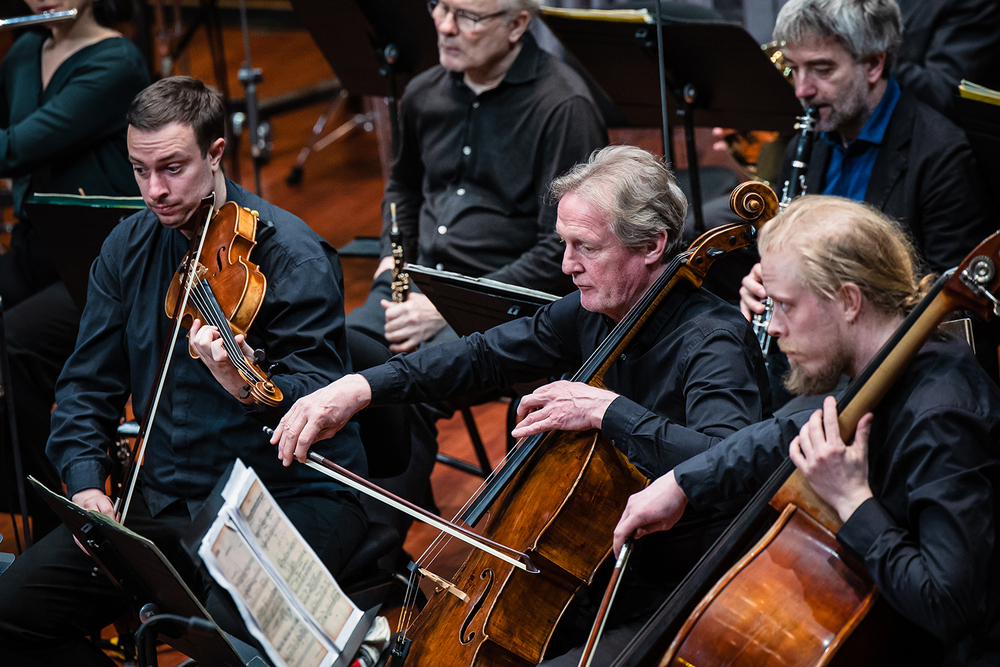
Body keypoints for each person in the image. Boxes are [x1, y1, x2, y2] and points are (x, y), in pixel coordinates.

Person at [274, 145, 771, 666]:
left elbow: (725, 461)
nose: (566, 265)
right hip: (591, 570)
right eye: (563, 243)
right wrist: (358, 389)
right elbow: (482, 356)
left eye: (586, 247)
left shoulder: (713, 341)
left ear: (652, 245)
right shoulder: (593, 313)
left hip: (673, 586)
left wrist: (608, 410)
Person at [0, 77, 368, 666]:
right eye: (140, 170)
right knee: (10, 612)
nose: (155, 191)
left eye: (172, 168)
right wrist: (87, 482)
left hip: (282, 500)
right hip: (166, 504)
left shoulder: (291, 256)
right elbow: (84, 386)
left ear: (216, 153)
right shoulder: (128, 246)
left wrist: (247, 383)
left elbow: (320, 404)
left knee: (221, 642)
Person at [615, 195, 1000, 666]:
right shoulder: (878, 367)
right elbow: (786, 429)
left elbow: (950, 607)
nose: (772, 327)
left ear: (849, 300)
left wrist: (852, 500)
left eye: (786, 306)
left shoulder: (942, 417)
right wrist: (680, 483)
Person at [346, 0, 607, 538]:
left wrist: (443, 306)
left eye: (468, 15)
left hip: (500, 305)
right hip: (415, 287)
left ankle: (374, 561)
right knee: (335, 352)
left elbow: (559, 254)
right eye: (440, 6)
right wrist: (390, 266)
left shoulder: (564, 107)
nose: (443, 25)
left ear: (517, 25)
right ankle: (358, 538)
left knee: (398, 387)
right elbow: (403, 191)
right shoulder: (423, 93)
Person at [703, 0, 992, 308]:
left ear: (872, 65)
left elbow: (954, 306)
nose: (801, 90)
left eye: (821, 69)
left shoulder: (940, 156)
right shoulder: (805, 145)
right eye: (794, 69)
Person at [0, 0, 149, 536]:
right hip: (36, 243)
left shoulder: (115, 63)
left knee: (14, 342)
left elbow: (18, 147)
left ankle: (58, 516)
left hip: (101, 262)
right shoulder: (22, 55)